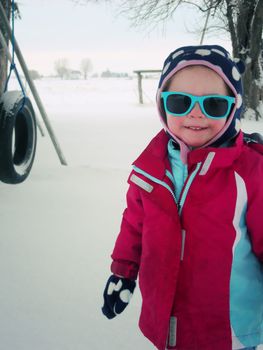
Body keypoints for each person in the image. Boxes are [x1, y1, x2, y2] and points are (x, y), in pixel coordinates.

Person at [101, 45, 263, 350]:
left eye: (214, 104)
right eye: (180, 101)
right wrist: (123, 272)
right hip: (164, 317)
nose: (195, 113)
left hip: (230, 330)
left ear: (233, 108)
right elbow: (135, 224)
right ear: (163, 106)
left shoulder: (251, 172)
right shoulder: (150, 167)